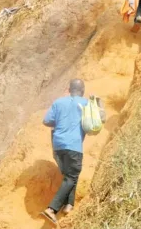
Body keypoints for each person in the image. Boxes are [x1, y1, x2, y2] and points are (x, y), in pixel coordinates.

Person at [40, 79, 105, 224]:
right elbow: (101, 119)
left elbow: (46, 121)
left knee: (69, 176)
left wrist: (61, 121)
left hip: (57, 146)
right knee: (71, 177)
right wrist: (100, 104)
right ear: (82, 91)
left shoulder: (58, 103)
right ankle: (52, 209)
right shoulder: (86, 103)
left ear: (69, 89)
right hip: (73, 146)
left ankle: (69, 206)